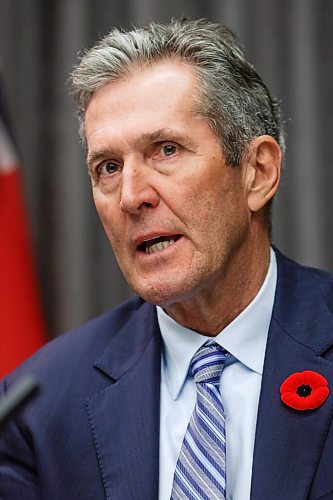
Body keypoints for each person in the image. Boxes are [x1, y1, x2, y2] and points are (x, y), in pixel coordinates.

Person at [1, 18, 333, 500]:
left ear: (258, 172)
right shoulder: (40, 408)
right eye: (108, 168)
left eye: (166, 150)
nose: (131, 196)